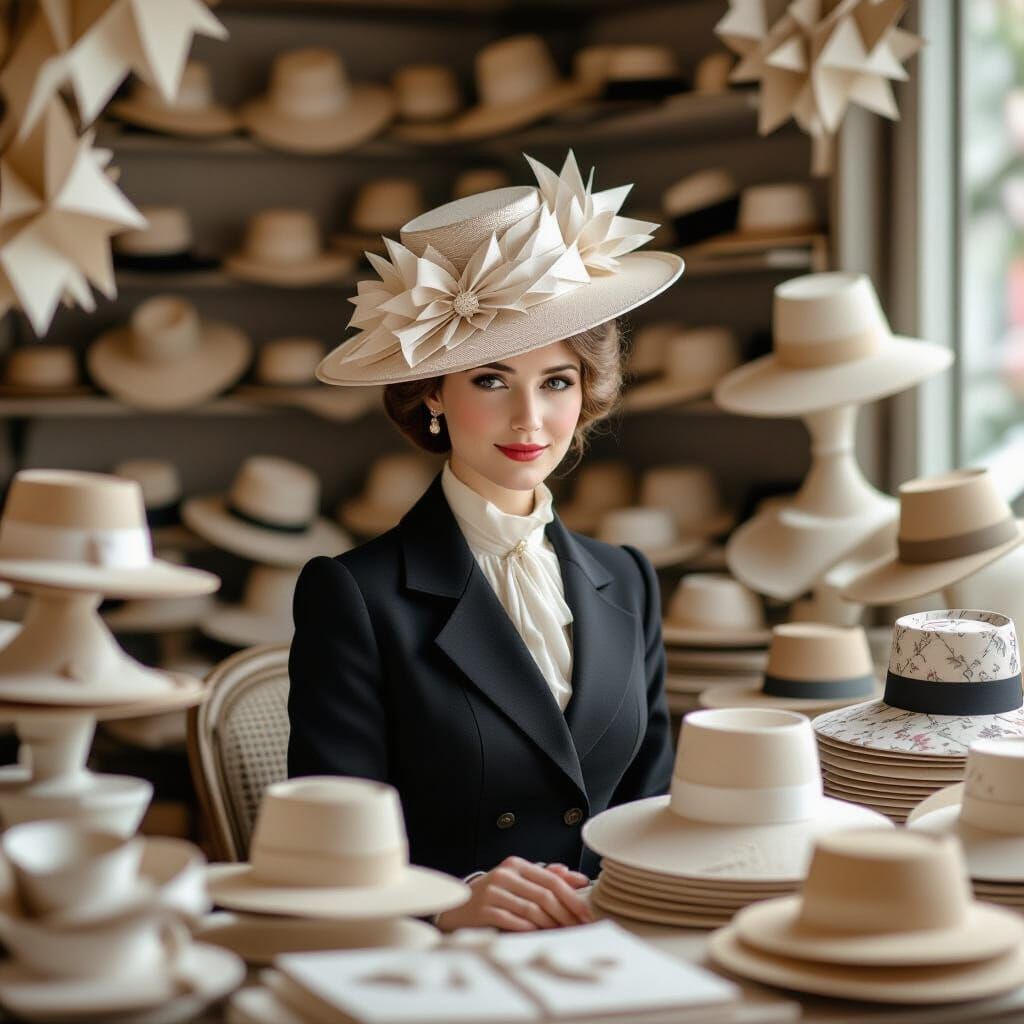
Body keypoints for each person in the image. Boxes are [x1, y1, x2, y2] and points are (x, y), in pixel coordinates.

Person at [288, 151, 684, 933]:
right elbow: (331, 840)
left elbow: (651, 801)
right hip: (444, 955)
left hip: (611, 940)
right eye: (492, 380)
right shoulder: (355, 595)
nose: (529, 419)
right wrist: (452, 903)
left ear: (587, 393)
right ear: (433, 393)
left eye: (556, 381)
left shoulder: (627, 577)